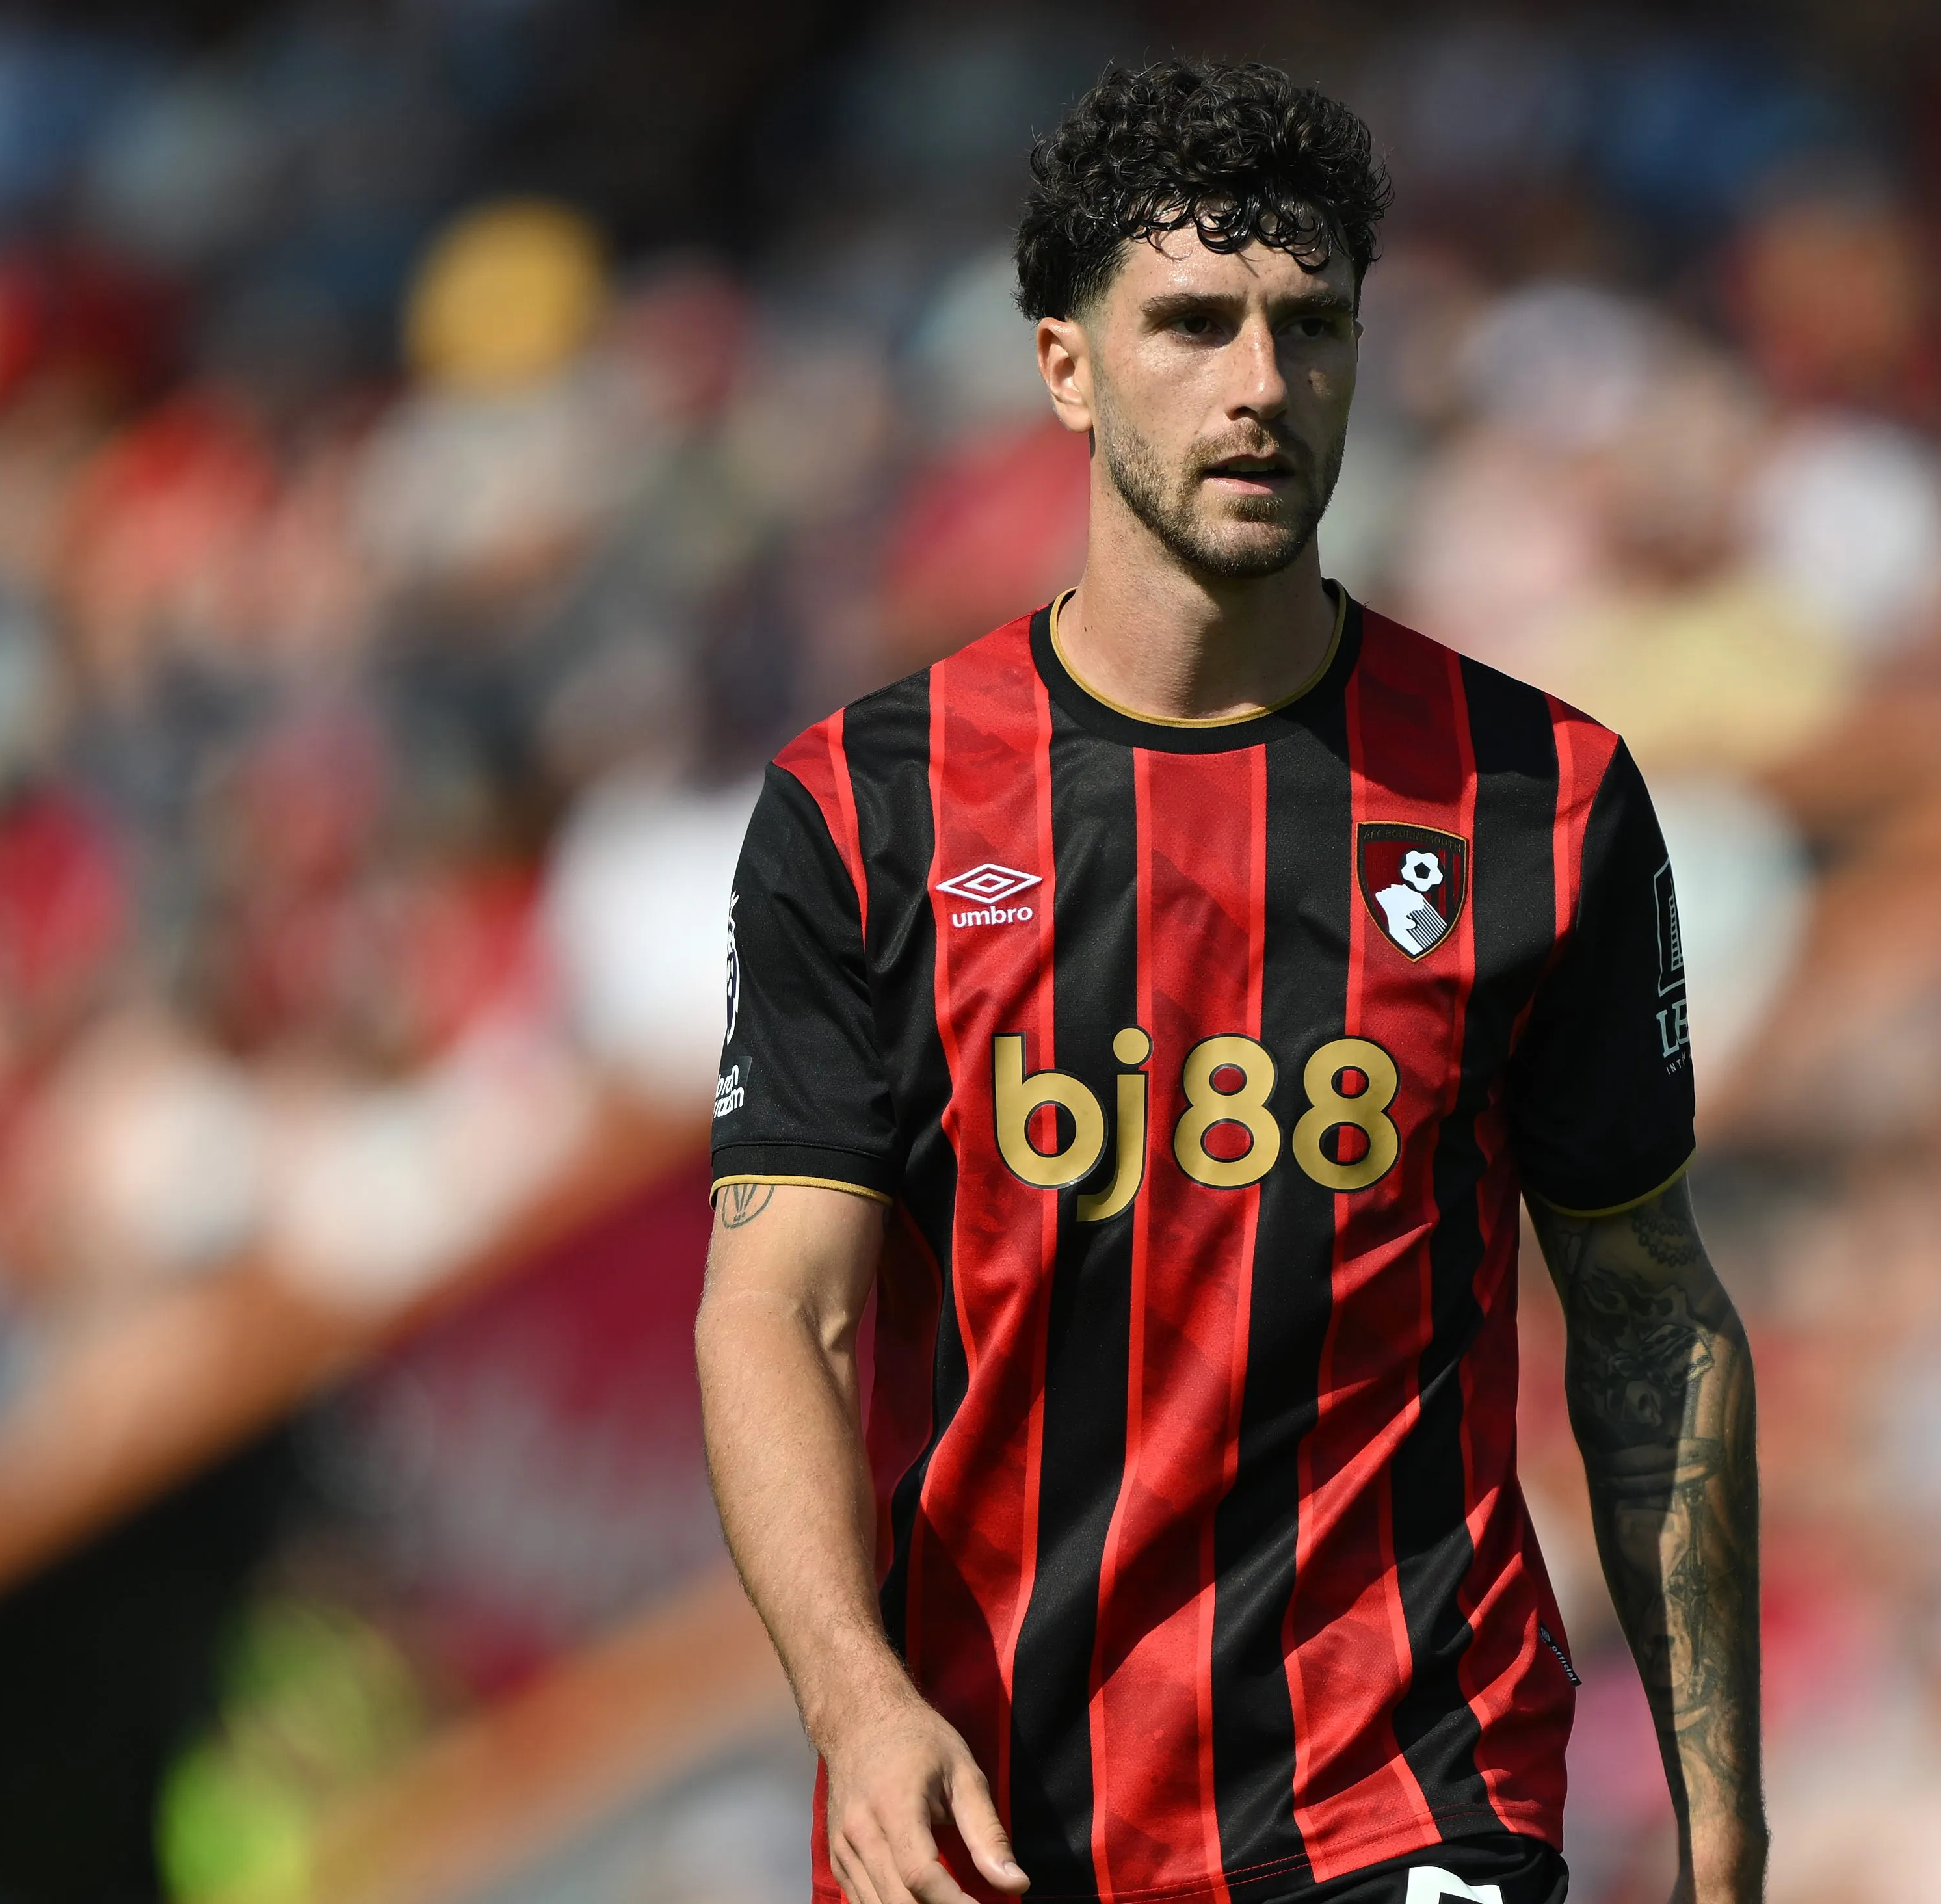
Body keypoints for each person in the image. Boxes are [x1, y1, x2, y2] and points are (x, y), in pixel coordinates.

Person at [696, 58, 1763, 1904]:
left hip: (1405, 1777)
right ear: (1064, 365)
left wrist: (1723, 1814)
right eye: (1192, 324)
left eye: (1310, 325)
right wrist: (857, 1708)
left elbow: (1646, 1308)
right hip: (997, 1807)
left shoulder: (1545, 803)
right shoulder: (863, 810)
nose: (1262, 385)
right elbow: (779, 1312)